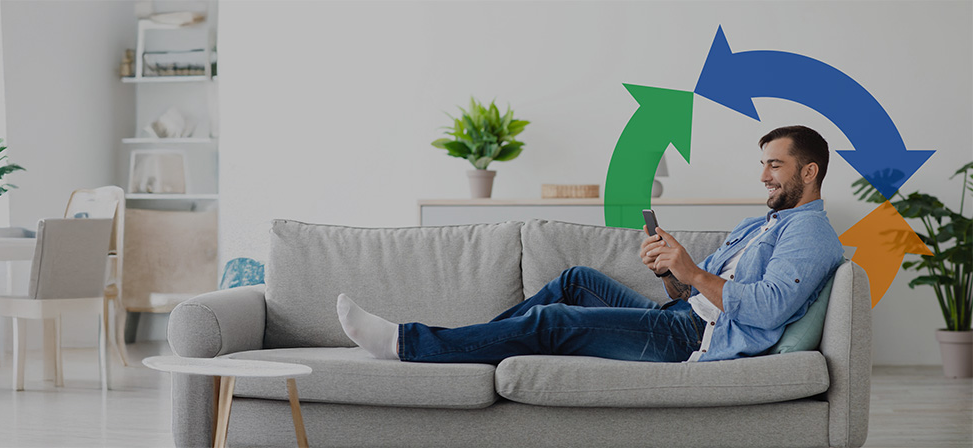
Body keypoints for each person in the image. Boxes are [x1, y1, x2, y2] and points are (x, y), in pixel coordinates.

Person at [337, 125, 846, 364]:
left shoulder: (810, 233)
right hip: (682, 317)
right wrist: (669, 272)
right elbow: (687, 292)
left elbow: (772, 307)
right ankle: (467, 348)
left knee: (551, 322)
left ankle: (409, 343)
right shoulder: (761, 225)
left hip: (691, 341)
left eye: (774, 165)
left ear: (809, 170)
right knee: (575, 281)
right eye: (762, 165)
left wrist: (691, 273)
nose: (763, 176)